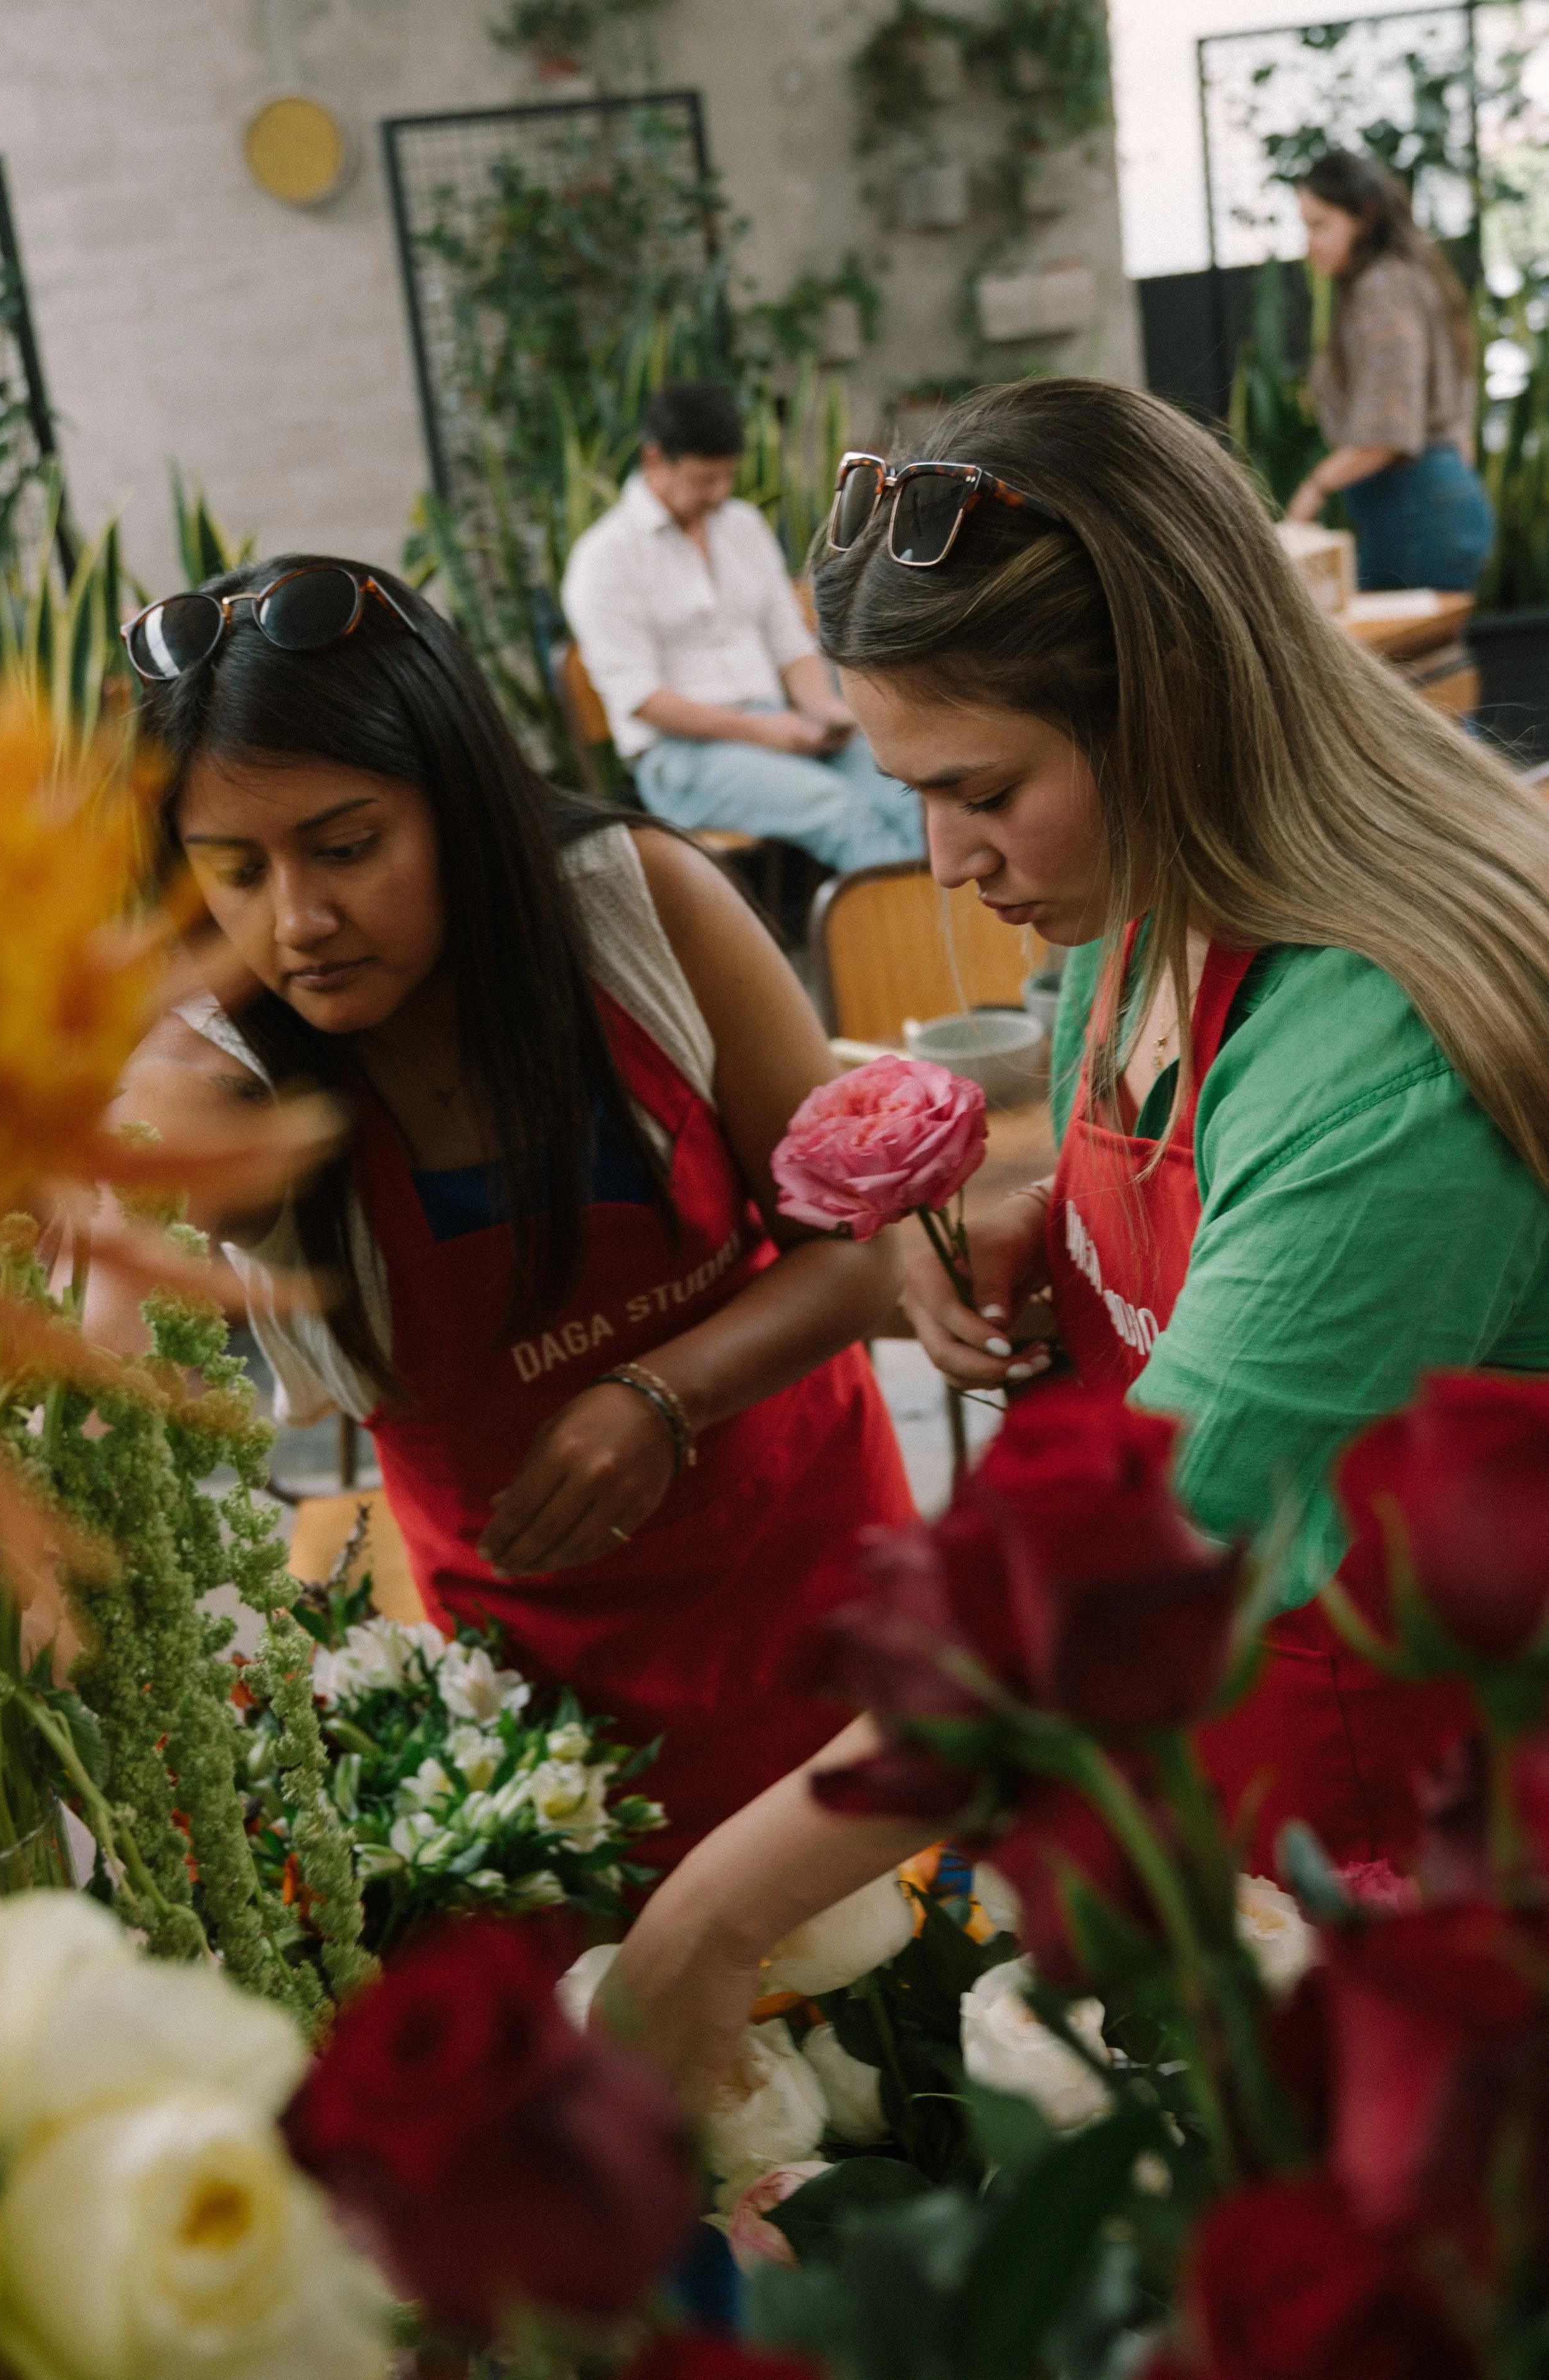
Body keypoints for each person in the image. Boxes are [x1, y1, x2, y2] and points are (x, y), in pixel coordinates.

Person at [605, 375, 1549, 2091]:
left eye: (977, 788)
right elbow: (1187, 1183)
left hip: (1413, 1837)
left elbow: (1118, 1582)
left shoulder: (1381, 1064)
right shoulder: (1140, 895)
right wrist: (1033, 1232)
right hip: (1224, 1772)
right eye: (908, 788)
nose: (943, 857)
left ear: (1172, 711)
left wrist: (707, 1923)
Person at [95, 554, 917, 1875]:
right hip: (535, 1701)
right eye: (232, 873)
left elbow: (861, 1253)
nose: (297, 921)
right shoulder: (223, 1066)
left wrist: (660, 1395)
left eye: (348, 847)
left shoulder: (637, 905)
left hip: (820, 1590)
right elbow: (105, 1327)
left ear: (460, 807)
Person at [561, 381, 925, 875]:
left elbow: (790, 643)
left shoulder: (743, 527)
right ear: (654, 460)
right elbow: (644, 699)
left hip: (782, 727)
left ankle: (960, 943)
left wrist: (823, 710)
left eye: (728, 476)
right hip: (684, 758)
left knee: (909, 793)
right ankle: (906, 949)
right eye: (704, 479)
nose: (720, 493)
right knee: (845, 815)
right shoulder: (603, 559)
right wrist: (765, 733)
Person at [1286, 148, 1493, 591]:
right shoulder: (1413, 276)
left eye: (1320, 224)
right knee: (1432, 658)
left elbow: (1388, 430)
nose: (1310, 242)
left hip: (1416, 510)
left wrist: (1314, 489)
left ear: (1363, 217)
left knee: (1389, 658)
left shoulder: (1381, 289)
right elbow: (1460, 407)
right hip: (1442, 501)